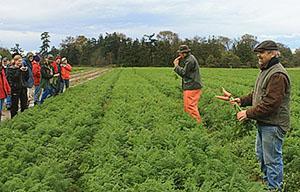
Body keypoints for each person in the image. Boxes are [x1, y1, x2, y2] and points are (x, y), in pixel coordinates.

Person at [217, 40, 290, 191]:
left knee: (272, 160)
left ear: (272, 53)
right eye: (258, 53)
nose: (259, 56)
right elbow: (257, 94)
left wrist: (248, 113)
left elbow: (270, 103)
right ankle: (267, 184)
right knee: (262, 156)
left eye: (261, 53)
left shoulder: (277, 74)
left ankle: (274, 188)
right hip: (264, 123)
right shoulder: (265, 70)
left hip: (274, 125)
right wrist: (241, 101)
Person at [173, 45, 203, 123]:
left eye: (180, 53)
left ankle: (197, 124)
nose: (179, 55)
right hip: (191, 86)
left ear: (184, 53)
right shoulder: (189, 58)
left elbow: (184, 73)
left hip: (192, 86)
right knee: (187, 106)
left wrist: (176, 66)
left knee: (190, 106)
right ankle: (190, 122)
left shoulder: (190, 60)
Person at [6, 54, 29, 118]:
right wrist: (19, 70)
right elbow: (13, 78)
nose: (20, 62)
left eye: (21, 61)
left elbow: (26, 78)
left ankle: (23, 118)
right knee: (14, 106)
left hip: (23, 88)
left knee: (24, 105)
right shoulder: (10, 69)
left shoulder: (22, 67)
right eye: (18, 61)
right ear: (15, 61)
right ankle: (13, 119)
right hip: (15, 89)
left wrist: (26, 71)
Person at [0, 56, 11, 121]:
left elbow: (5, 81)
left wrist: (8, 89)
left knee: (0, 109)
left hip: (2, 92)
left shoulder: (2, 70)